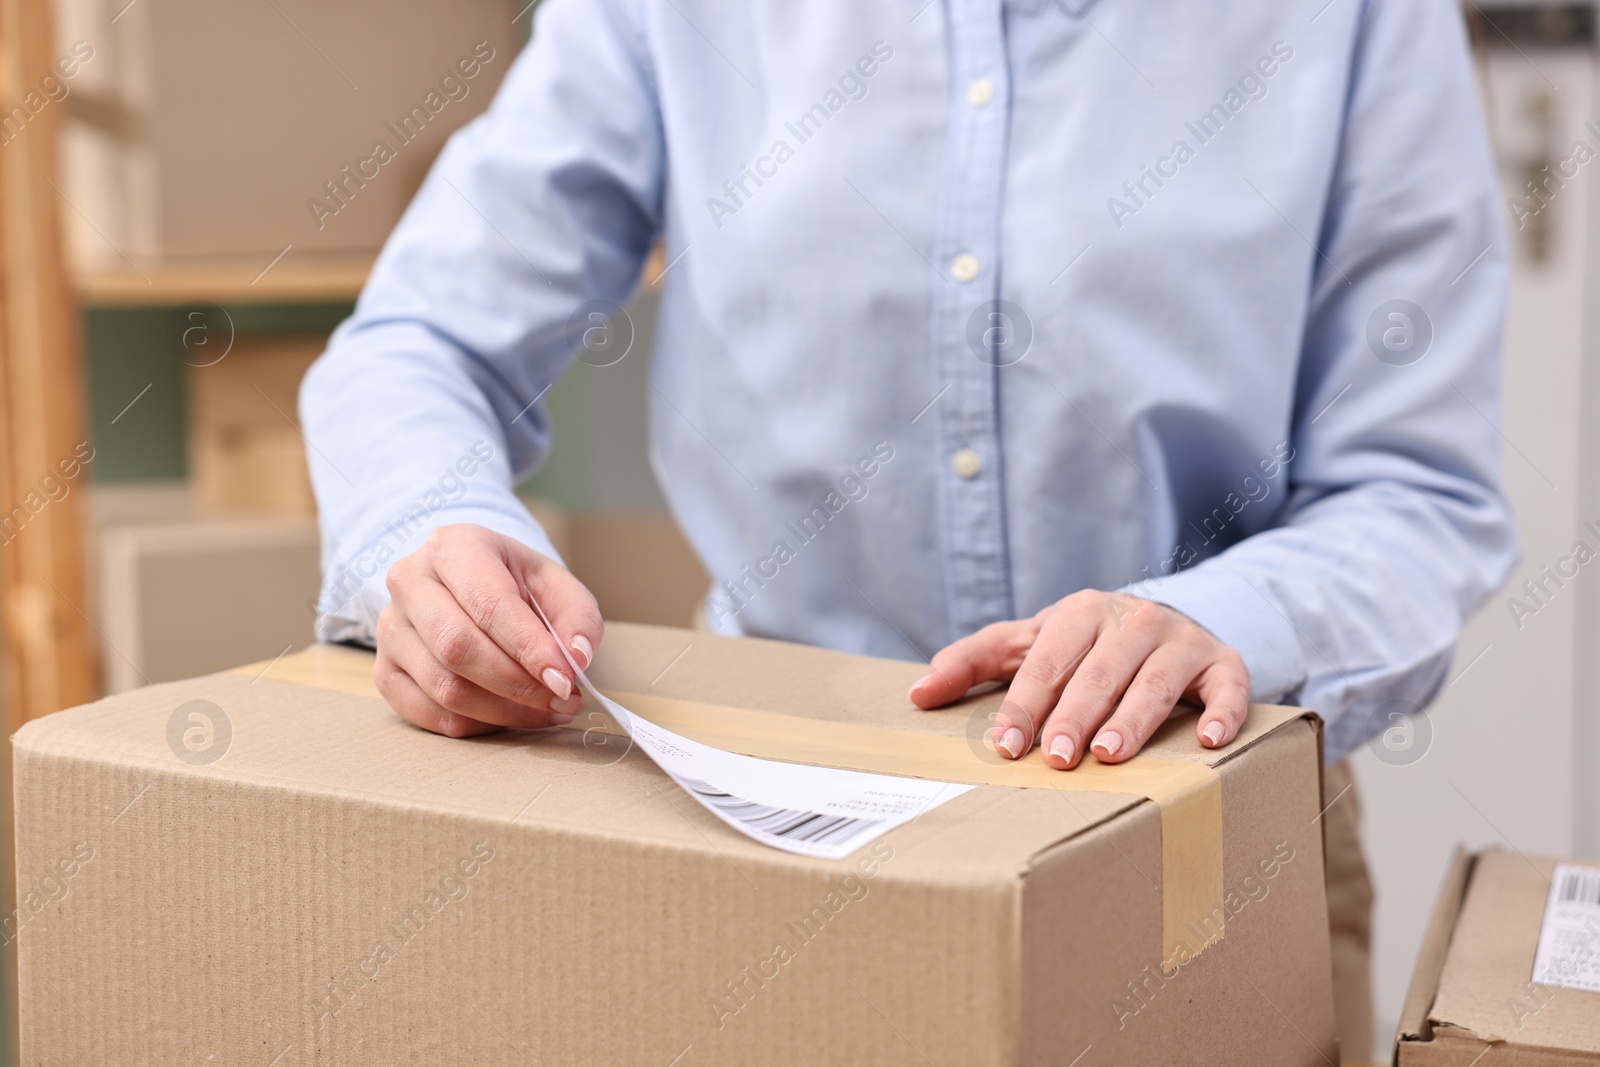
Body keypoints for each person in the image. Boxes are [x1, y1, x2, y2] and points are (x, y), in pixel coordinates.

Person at [301, 0, 1516, 1057]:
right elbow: (420, 340)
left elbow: (1417, 490)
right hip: (754, 818)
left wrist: (1215, 615)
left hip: (1197, 824)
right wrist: (433, 531)